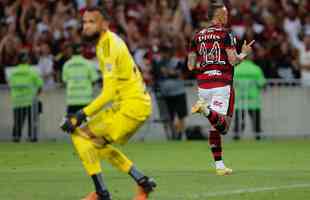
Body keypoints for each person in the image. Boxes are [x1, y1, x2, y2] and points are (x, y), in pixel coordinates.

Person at [60, 7, 156, 200]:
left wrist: (79, 116)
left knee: (80, 136)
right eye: (84, 22)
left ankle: (102, 194)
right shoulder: (106, 42)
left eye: (91, 22)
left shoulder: (107, 46)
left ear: (104, 24)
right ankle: (143, 182)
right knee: (95, 143)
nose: (85, 26)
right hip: (129, 105)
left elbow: (108, 93)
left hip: (130, 107)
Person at [188, 0, 254, 176]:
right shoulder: (226, 34)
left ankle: (219, 166)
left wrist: (205, 66)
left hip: (203, 85)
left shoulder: (197, 36)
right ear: (218, 15)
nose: (228, 15)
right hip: (221, 84)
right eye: (225, 13)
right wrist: (244, 53)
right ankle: (205, 110)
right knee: (223, 126)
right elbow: (233, 61)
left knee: (216, 128)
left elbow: (190, 64)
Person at [153, 46, 188, 140]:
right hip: (166, 93)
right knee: (170, 116)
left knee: (181, 115)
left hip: (179, 91)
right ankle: (173, 135)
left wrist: (170, 72)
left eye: (165, 52)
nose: (164, 54)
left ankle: (180, 134)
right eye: (162, 52)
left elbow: (181, 73)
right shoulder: (159, 63)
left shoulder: (177, 61)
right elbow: (157, 75)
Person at [7, 51, 43, 142]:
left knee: (17, 122)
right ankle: (32, 137)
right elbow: (40, 84)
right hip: (30, 101)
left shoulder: (12, 72)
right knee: (32, 122)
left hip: (17, 101)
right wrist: (36, 94)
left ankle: (16, 138)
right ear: (28, 60)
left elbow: (10, 84)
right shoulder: (32, 71)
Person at [233, 59, 266, 141]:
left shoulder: (236, 69)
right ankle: (258, 137)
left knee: (239, 120)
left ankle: (236, 137)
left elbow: (231, 83)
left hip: (240, 99)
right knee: (256, 121)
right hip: (253, 100)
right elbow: (262, 84)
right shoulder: (256, 69)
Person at [62, 45, 99, 115]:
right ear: (82, 52)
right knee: (87, 124)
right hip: (86, 100)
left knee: (72, 124)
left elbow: (65, 81)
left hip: (72, 101)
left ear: (71, 52)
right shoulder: (88, 64)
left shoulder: (66, 65)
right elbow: (95, 79)